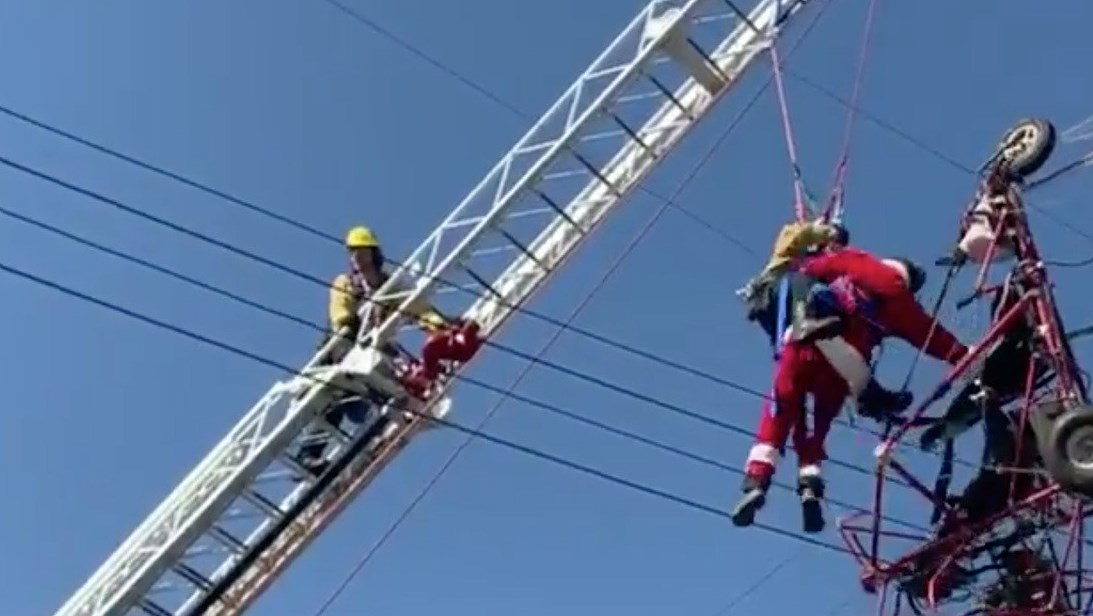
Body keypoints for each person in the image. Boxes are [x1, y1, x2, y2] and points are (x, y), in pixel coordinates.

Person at [295, 225, 482, 476]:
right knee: (334, 400)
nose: (356, 258)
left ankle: (362, 447)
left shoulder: (390, 285)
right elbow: (339, 310)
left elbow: (417, 309)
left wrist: (441, 325)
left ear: (373, 252)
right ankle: (309, 456)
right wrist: (346, 325)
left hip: (372, 349)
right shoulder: (346, 282)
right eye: (352, 253)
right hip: (342, 346)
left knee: (372, 403)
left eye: (360, 251)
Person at [733, 273, 908, 533]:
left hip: (798, 350)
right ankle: (810, 489)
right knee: (815, 433)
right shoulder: (867, 295)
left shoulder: (792, 281)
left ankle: (757, 482)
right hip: (839, 367)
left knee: (776, 421)